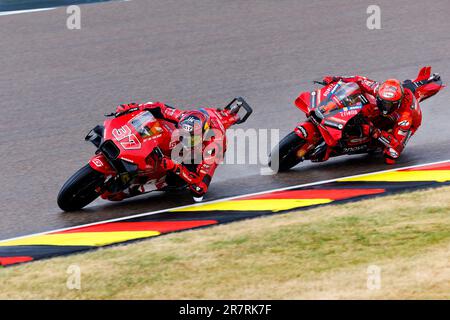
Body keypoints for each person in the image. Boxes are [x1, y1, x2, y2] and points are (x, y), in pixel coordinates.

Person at [115, 101, 239, 201]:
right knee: (158, 123)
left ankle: (156, 183)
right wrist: (134, 107)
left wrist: (173, 165)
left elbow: (197, 179)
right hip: (201, 119)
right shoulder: (183, 117)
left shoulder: (214, 146)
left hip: (206, 150)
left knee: (198, 191)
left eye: (191, 139)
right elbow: (159, 107)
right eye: (183, 135)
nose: (185, 141)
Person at [321, 75, 422, 164]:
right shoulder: (377, 88)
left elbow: (396, 144)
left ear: (398, 103)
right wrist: (337, 79)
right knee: (363, 103)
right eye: (382, 102)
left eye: (389, 105)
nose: (385, 107)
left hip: (408, 122)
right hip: (392, 109)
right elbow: (358, 79)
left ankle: (369, 143)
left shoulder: (405, 117)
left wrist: (373, 131)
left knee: (392, 155)